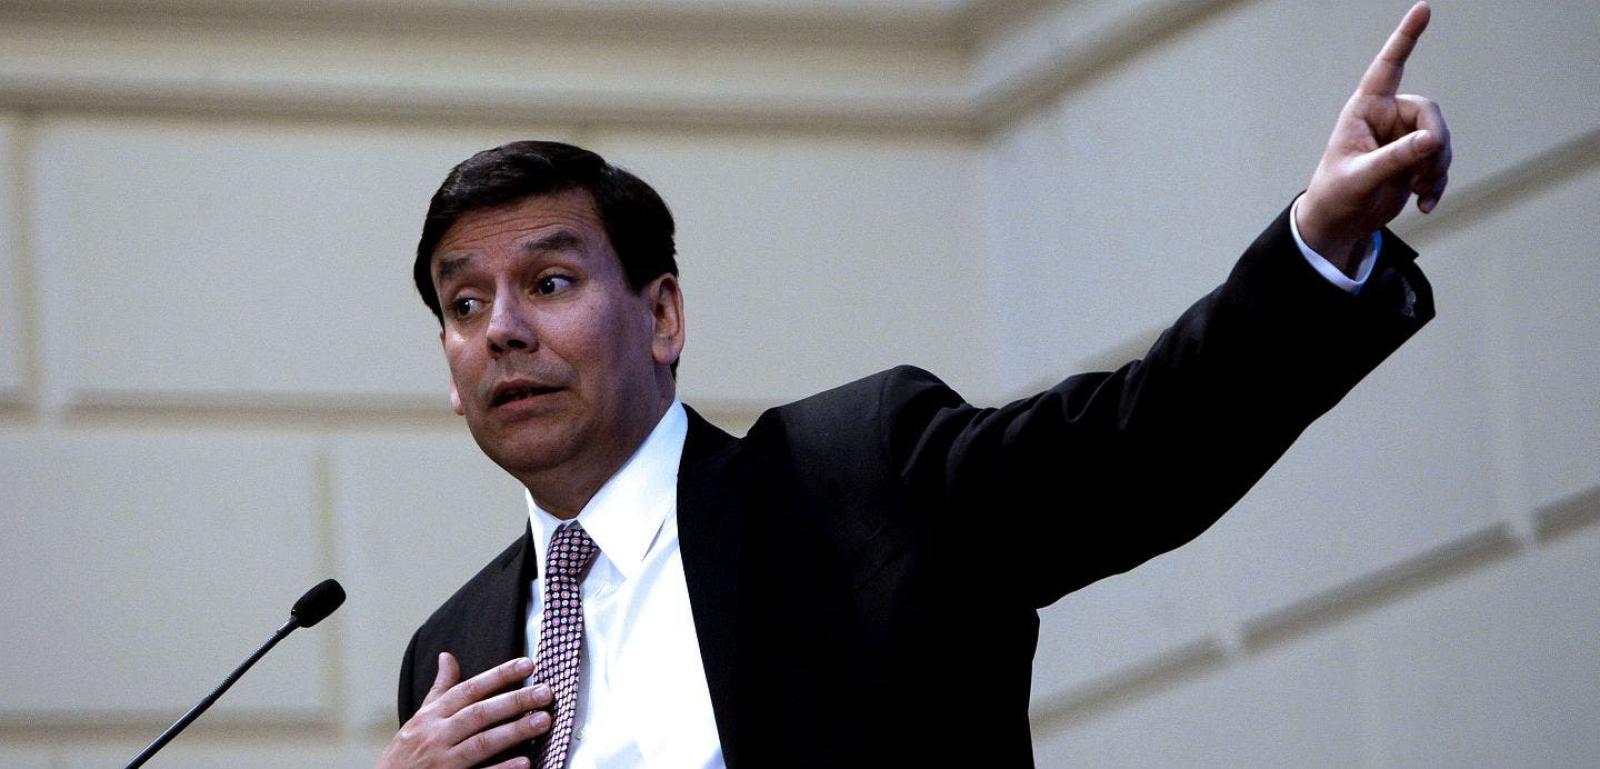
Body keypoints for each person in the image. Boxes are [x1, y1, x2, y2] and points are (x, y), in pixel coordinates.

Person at [377, 3, 1451, 767]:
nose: (501, 329)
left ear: (662, 317)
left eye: (549, 282)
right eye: (464, 304)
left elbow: (1138, 448)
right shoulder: (452, 652)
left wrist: (1319, 245)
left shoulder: (855, 479)